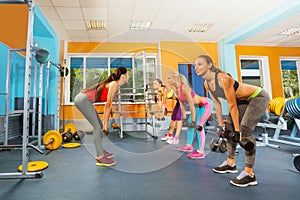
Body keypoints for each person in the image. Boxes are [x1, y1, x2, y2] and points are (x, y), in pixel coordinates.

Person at [194, 55, 270, 187]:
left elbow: (232, 105)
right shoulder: (207, 84)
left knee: (245, 130)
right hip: (241, 101)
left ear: (210, 65)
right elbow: (217, 104)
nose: (196, 67)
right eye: (195, 65)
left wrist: (238, 131)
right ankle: (230, 163)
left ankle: (249, 173)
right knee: (228, 128)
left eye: (200, 64)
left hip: (257, 97)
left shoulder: (223, 79)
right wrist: (220, 125)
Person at [74, 67, 129, 167]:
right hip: (82, 100)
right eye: (127, 74)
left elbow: (110, 104)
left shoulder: (114, 85)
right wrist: (105, 124)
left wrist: (104, 122)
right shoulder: (114, 84)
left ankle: (101, 151)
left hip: (84, 100)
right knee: (98, 127)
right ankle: (100, 157)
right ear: (123, 76)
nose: (128, 76)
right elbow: (107, 105)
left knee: (98, 126)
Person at [166, 72, 213, 159]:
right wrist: (184, 119)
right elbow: (182, 106)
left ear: (175, 79)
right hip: (197, 107)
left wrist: (194, 121)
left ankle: (201, 151)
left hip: (206, 104)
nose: (167, 80)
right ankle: (189, 145)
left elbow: (191, 104)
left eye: (169, 78)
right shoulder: (177, 91)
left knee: (199, 126)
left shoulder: (183, 87)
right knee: (189, 124)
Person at [152, 79, 182, 144]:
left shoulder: (165, 89)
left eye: (155, 83)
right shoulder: (159, 92)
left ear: (159, 84)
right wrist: (160, 114)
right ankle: (170, 135)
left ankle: (176, 138)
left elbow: (164, 102)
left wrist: (162, 115)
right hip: (178, 102)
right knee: (173, 118)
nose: (153, 85)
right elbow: (160, 103)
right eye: (153, 83)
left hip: (182, 101)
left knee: (177, 118)